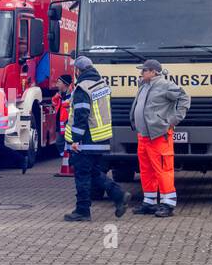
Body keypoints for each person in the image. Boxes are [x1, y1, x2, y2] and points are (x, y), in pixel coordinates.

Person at [63, 56, 127, 222]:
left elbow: (81, 115)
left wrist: (75, 140)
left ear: (78, 70)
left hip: (86, 140)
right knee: (93, 173)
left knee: (82, 175)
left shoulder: (82, 88)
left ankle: (83, 210)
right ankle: (118, 195)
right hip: (101, 139)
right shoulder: (102, 85)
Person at [129, 60, 191, 217]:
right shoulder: (144, 85)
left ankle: (168, 204)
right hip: (143, 136)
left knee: (163, 170)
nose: (141, 73)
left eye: (144, 70)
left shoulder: (165, 85)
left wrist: (173, 120)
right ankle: (149, 202)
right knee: (146, 170)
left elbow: (184, 98)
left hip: (158, 136)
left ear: (153, 72)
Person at [50, 74, 73, 174]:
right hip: (60, 124)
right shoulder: (60, 95)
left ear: (65, 84)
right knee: (59, 143)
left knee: (68, 144)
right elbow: (54, 102)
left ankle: (70, 163)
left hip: (67, 125)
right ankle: (66, 159)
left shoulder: (72, 95)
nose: (57, 84)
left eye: (59, 82)